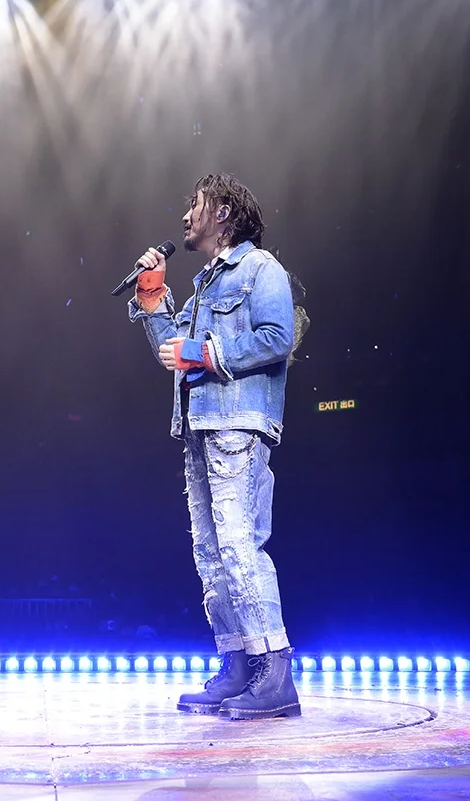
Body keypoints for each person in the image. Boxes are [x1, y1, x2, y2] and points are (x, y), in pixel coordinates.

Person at [126, 173, 302, 720]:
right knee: (210, 552)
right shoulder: (203, 284)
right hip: (199, 427)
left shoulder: (260, 268)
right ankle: (237, 664)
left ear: (222, 212)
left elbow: (278, 337)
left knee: (239, 544)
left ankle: (274, 671)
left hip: (238, 424)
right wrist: (152, 297)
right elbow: (172, 352)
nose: (185, 217)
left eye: (195, 206)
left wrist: (205, 352)